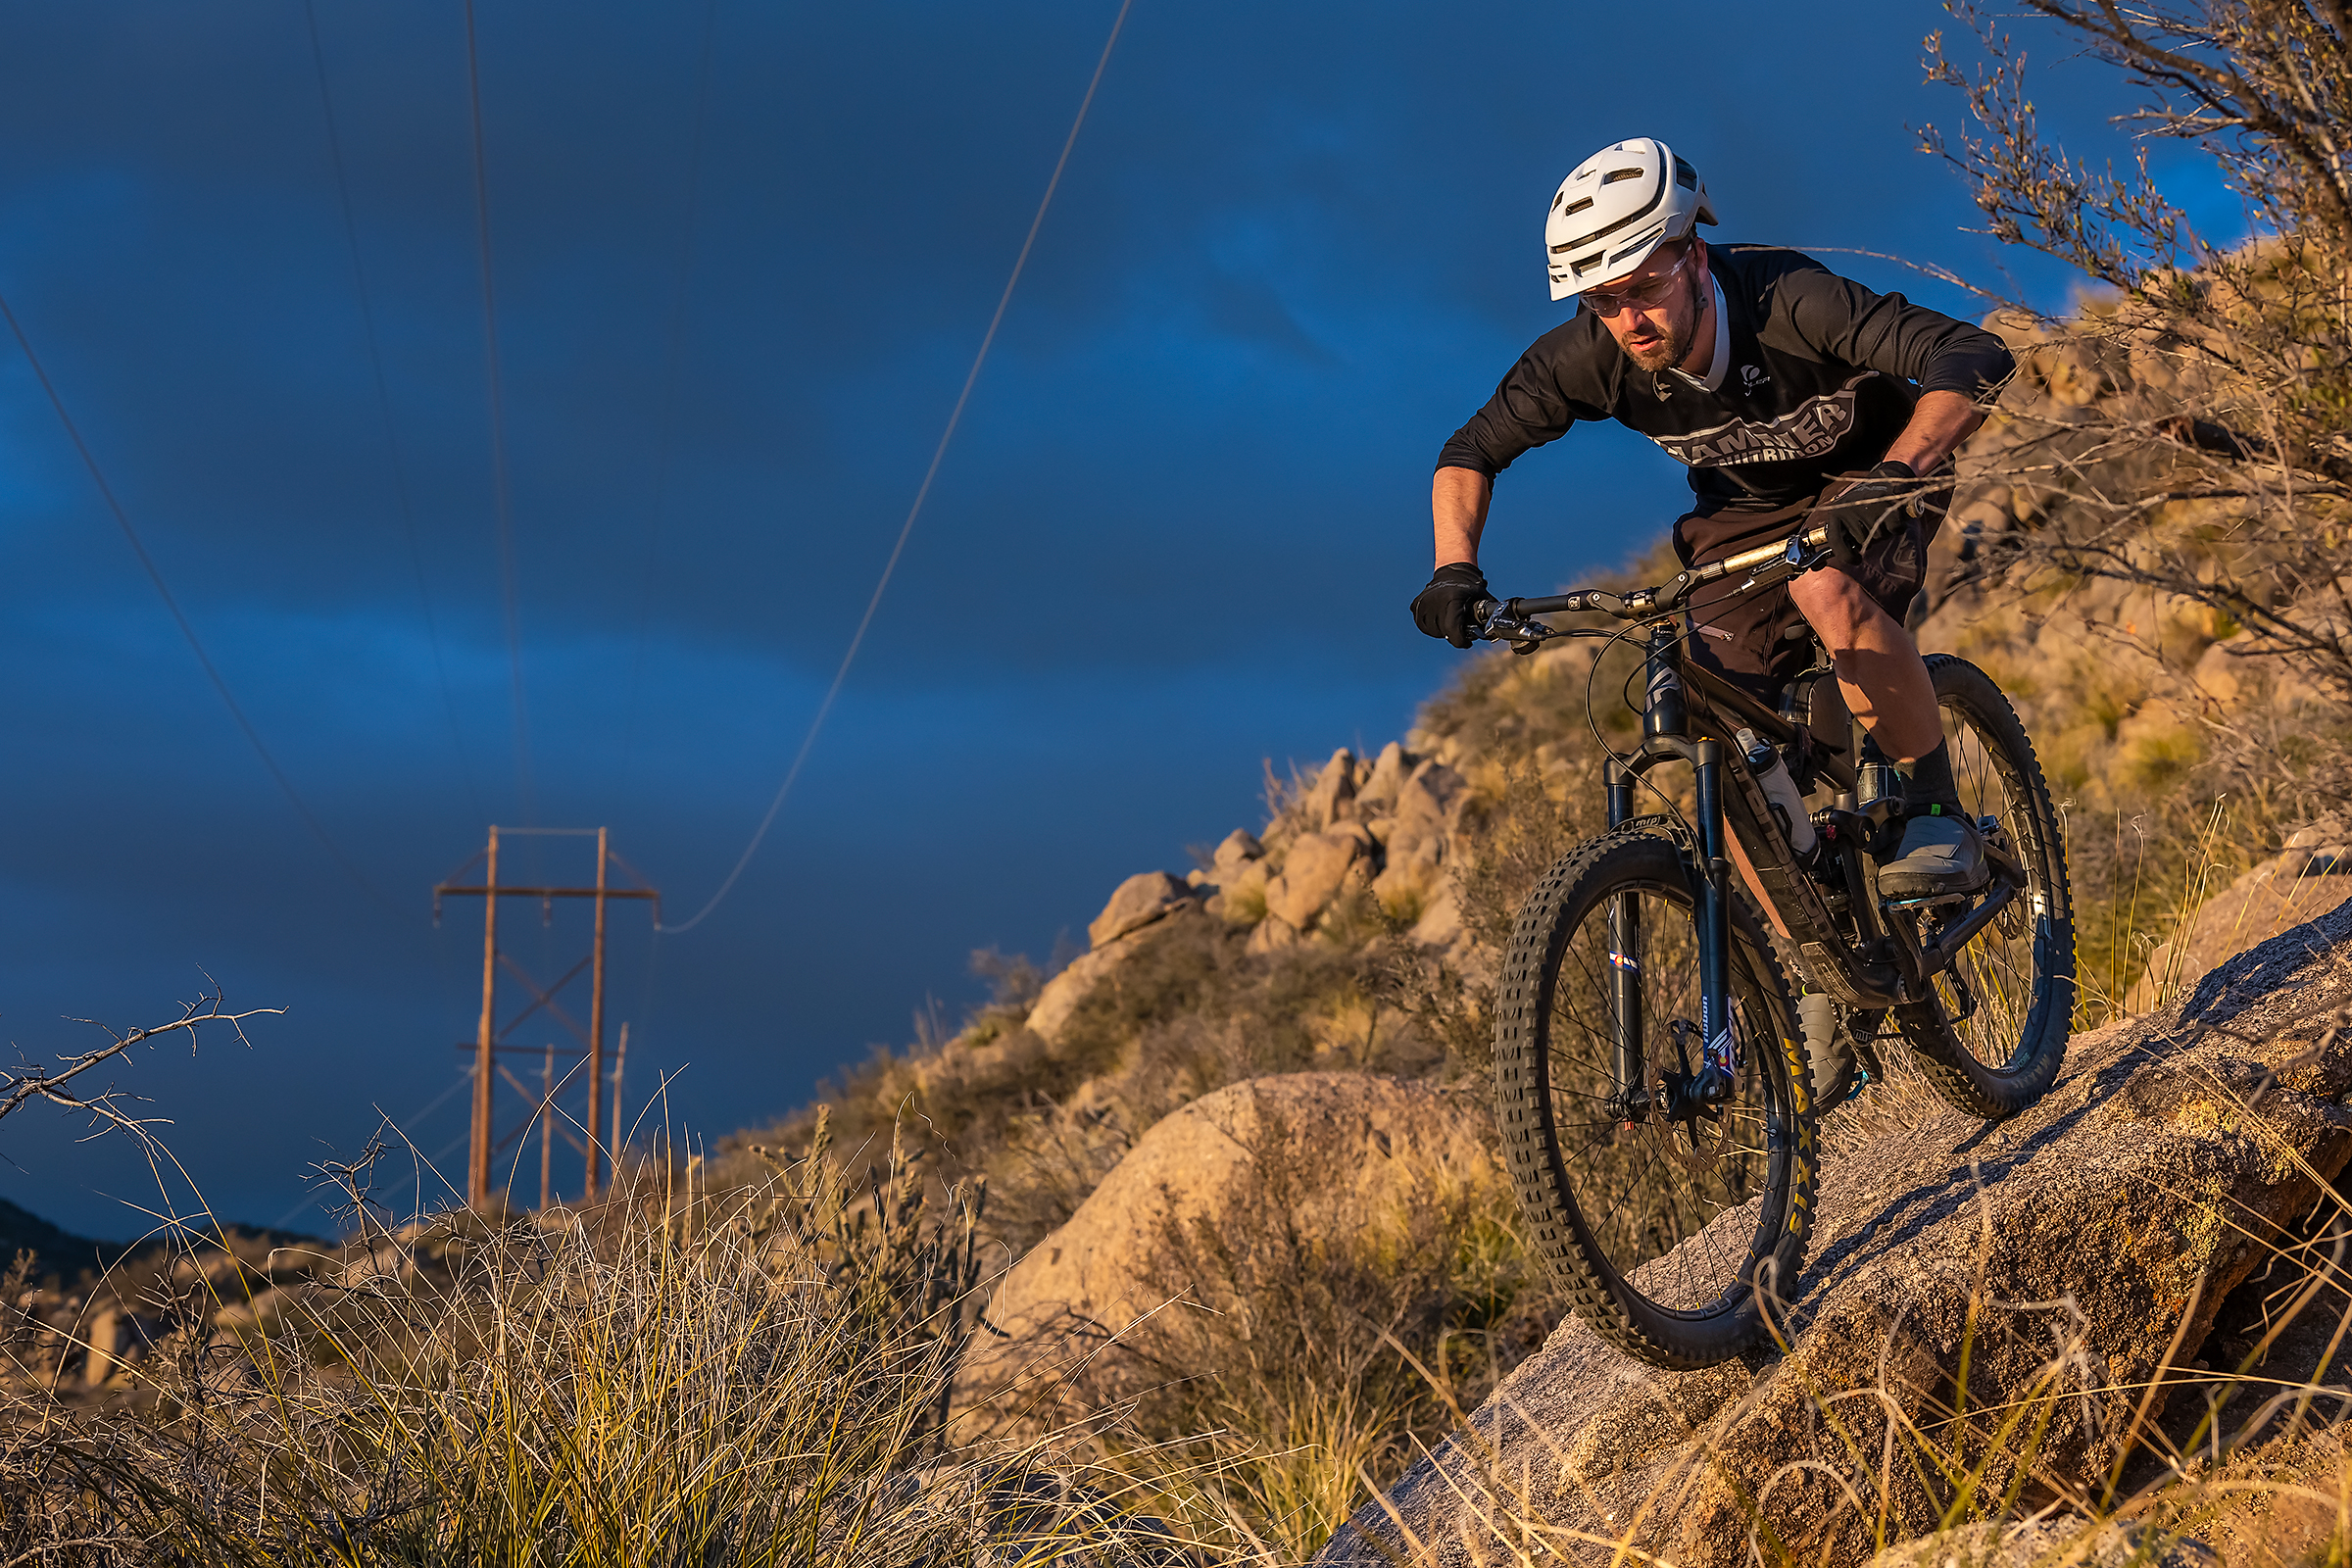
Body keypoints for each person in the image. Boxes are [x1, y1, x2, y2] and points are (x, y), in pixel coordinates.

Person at [1411, 135, 2015, 904]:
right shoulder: (1589, 354)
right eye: (1602, 300)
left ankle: (1936, 809)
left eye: (1645, 285)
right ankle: (1811, 945)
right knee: (1707, 730)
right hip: (1742, 516)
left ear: (1693, 254)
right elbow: (1469, 452)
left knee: (1826, 590)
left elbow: (1972, 353)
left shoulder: (1791, 299)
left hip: (1874, 475)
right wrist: (1453, 568)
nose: (1628, 319)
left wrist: (1897, 473)